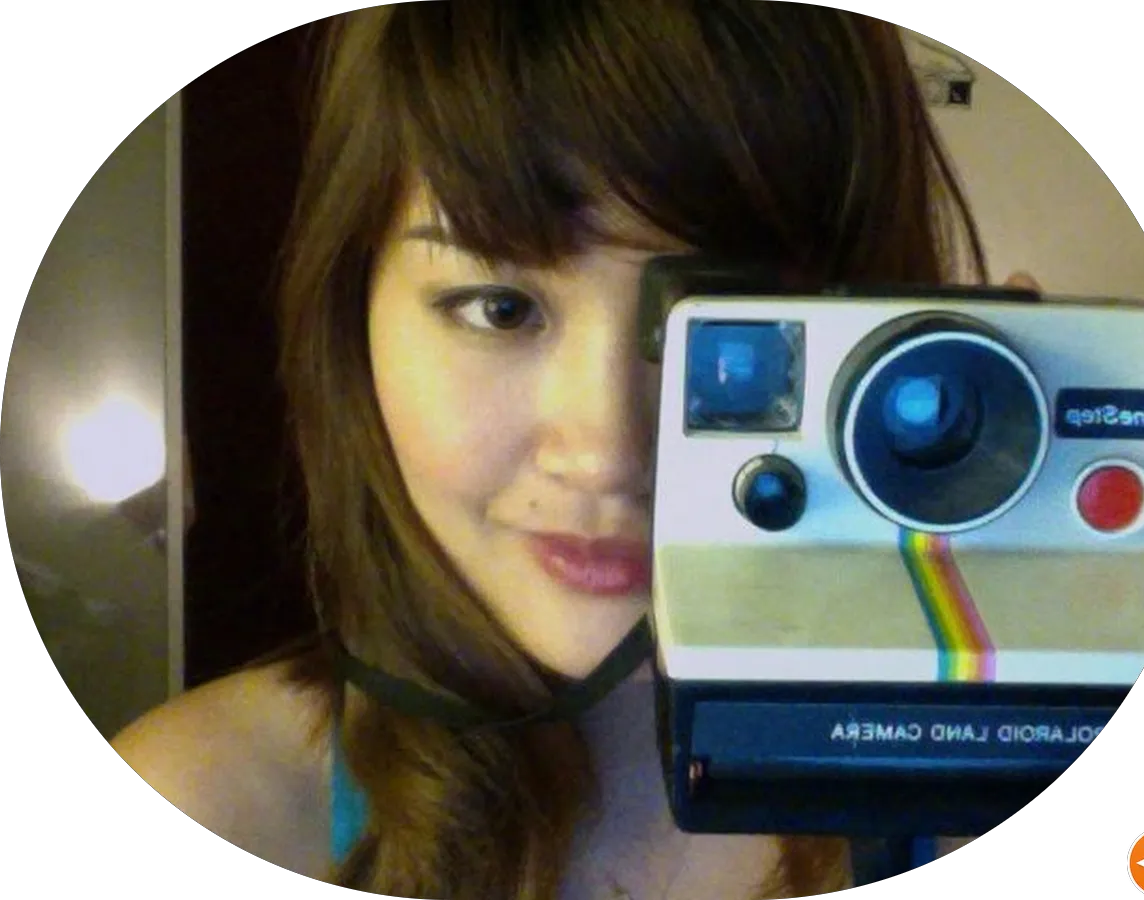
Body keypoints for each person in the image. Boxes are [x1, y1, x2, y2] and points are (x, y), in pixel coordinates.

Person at [112, 4, 1040, 897]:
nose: (607, 453)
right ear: (355, 326)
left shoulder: (980, 797)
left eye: (721, 326)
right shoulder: (216, 803)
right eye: (500, 309)